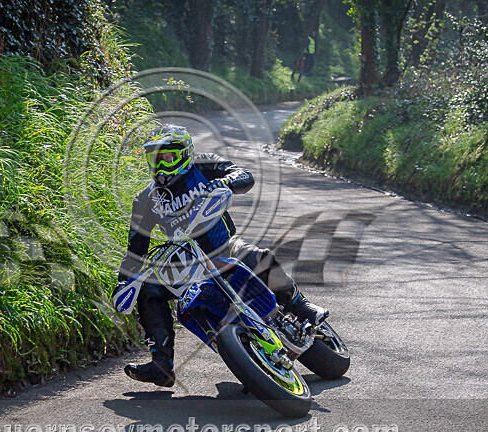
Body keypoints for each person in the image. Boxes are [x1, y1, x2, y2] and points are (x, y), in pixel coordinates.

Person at [113, 125, 328, 387]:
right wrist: (124, 280)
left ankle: (300, 307)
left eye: (166, 156)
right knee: (149, 291)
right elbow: (136, 247)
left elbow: (244, 175)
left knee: (255, 255)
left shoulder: (204, 166)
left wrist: (226, 181)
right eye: (154, 158)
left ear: (183, 153)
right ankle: (161, 364)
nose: (160, 164)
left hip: (224, 247)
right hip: (186, 262)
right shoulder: (145, 198)